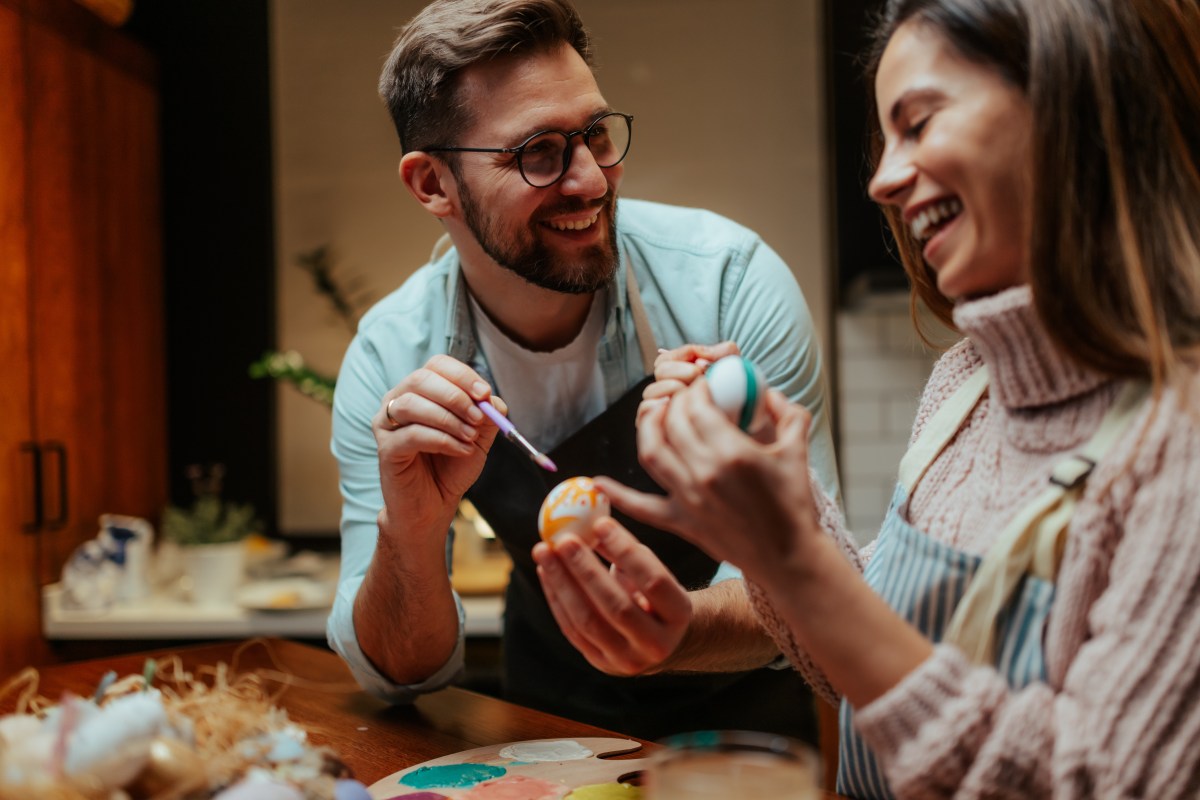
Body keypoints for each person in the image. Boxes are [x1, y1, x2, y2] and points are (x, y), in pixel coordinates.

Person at [538, 0, 1200, 795]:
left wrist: (786, 554)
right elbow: (859, 667)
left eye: (918, 124)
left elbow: (1093, 782)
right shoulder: (966, 387)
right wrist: (777, 524)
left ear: (1075, 106)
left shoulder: (1178, 443)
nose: (883, 180)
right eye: (887, 140)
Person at [325, 0, 840, 741]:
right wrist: (410, 531)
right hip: (544, 729)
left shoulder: (726, 284)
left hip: (743, 735)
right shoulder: (391, 359)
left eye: (595, 134)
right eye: (538, 151)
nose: (591, 180)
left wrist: (679, 632)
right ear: (433, 185)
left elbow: (819, 584)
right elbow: (399, 676)